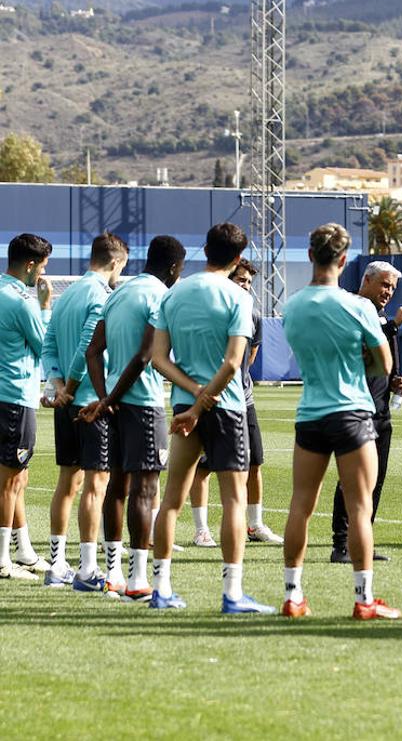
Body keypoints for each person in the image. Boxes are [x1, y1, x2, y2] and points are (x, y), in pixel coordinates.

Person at [148, 222, 273, 614]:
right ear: (238, 259)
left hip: (185, 408)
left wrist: (192, 398)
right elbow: (234, 363)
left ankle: (161, 589)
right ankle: (232, 594)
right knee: (234, 501)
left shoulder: (173, 294)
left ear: (204, 250)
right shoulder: (238, 297)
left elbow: (157, 359)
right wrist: (205, 401)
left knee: (171, 500)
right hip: (226, 408)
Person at [279, 224, 401, 620]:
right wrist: (358, 362)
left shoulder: (292, 306)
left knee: (301, 506)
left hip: (311, 412)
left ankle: (293, 595)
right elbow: (384, 363)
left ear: (311, 255)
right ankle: (364, 599)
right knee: (360, 508)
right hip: (352, 412)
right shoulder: (359, 307)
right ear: (345, 260)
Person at [78, 235, 186, 601]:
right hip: (142, 403)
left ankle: (112, 574)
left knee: (117, 486)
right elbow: (145, 356)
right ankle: (139, 578)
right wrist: (110, 397)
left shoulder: (120, 292)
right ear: (174, 268)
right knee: (145, 488)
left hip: (117, 404)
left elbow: (94, 351)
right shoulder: (159, 295)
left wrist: (105, 397)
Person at [40, 232, 129, 593]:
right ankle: (88, 569)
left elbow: (48, 343)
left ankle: (57, 564)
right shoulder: (99, 295)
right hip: (90, 401)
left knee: (68, 482)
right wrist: (73, 387)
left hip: (67, 401)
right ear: (115, 262)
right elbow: (86, 348)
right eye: (121, 268)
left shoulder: (66, 296)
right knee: (97, 483)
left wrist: (57, 384)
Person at [189, 259, 285, 547]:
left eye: (247, 282)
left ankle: (254, 524)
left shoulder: (253, 314)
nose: (244, 286)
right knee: (203, 467)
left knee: (255, 462)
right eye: (239, 280)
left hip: (244, 399)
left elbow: (249, 357)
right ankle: (201, 529)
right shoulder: (210, 310)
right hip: (210, 399)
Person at [329, 260, 402, 564]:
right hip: (356, 411)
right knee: (353, 480)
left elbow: (378, 363)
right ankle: (340, 544)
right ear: (366, 280)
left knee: (375, 480)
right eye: (384, 284)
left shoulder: (379, 317)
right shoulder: (351, 309)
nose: (388, 292)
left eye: (392, 287)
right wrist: (393, 326)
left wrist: (394, 383)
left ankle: (361, 542)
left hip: (381, 411)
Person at [0, 234, 52, 581]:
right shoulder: (21, 302)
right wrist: (45, 305)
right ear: (30, 265)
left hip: (8, 395)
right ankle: (3, 560)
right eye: (43, 266)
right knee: (9, 480)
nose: (44, 274)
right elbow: (44, 344)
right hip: (15, 395)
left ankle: (24, 550)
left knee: (19, 475)